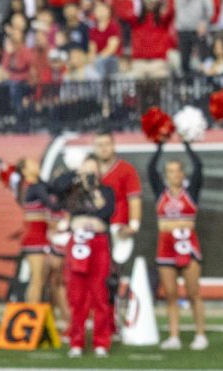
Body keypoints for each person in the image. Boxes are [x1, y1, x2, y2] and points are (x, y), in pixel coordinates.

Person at [51, 155, 115, 358]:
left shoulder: (106, 191)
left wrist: (93, 189)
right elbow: (55, 188)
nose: (89, 174)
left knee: (99, 295)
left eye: (92, 170)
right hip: (78, 243)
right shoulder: (73, 191)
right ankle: (76, 341)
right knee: (77, 296)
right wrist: (76, 173)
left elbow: (106, 211)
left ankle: (101, 342)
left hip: (98, 244)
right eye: (86, 170)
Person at [149, 139, 208, 351]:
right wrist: (160, 144)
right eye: (169, 171)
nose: (174, 174)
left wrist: (187, 144)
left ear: (183, 174)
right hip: (165, 246)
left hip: (187, 244)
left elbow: (199, 167)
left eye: (177, 171)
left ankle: (200, 334)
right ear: (165, 175)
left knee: (193, 292)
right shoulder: (160, 193)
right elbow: (150, 168)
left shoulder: (190, 192)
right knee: (171, 293)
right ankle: (174, 335)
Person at [93, 131, 141, 318]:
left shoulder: (126, 169)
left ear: (113, 145)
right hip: (94, 229)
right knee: (94, 276)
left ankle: (113, 317)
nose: (103, 148)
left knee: (113, 276)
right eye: (99, 144)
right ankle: (97, 317)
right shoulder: (91, 169)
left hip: (116, 230)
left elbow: (134, 199)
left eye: (106, 144)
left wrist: (134, 225)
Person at [14, 157, 57, 305]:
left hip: (43, 238)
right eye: (31, 163)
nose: (36, 164)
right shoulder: (33, 187)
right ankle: (31, 317)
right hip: (35, 239)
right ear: (25, 171)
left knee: (45, 280)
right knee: (37, 280)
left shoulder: (39, 185)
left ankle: (41, 317)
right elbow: (52, 204)